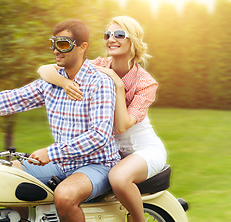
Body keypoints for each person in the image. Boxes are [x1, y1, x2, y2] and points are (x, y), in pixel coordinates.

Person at [0, 19, 120, 222]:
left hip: (97, 164)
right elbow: (12, 99)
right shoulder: (52, 83)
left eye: (62, 44)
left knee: (65, 196)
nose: (55, 51)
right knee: (5, 179)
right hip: (61, 163)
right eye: (53, 44)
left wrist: (51, 152)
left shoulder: (99, 82)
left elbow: (99, 135)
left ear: (82, 47)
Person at [37, 16, 167, 222]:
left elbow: (122, 126)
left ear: (132, 39)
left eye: (119, 34)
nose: (111, 39)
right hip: (111, 153)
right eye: (108, 35)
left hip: (143, 150)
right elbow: (44, 70)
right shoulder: (99, 64)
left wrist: (118, 84)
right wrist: (64, 83)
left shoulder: (145, 83)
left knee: (118, 177)